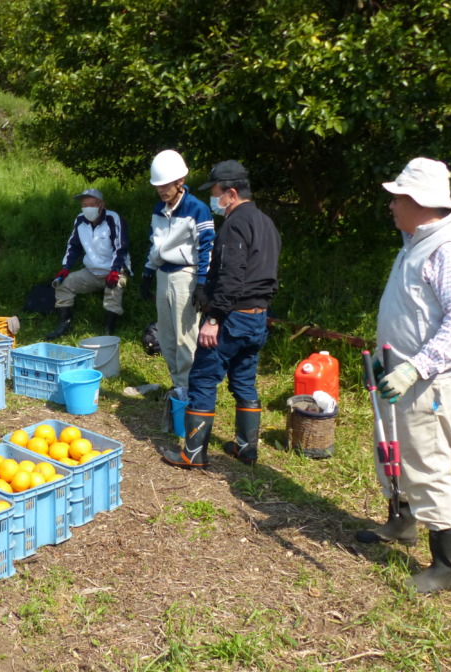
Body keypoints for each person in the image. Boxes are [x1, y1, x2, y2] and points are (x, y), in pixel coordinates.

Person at [356, 157, 451, 594]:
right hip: (399, 371)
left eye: (397, 198)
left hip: (428, 379)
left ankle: (447, 566)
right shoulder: (414, 241)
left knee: (427, 462)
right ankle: (403, 522)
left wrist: (415, 367)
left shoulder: (449, 249)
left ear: (418, 201)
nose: (391, 205)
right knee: (393, 453)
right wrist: (384, 358)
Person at [160, 161, 281, 469]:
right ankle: (245, 449)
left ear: (230, 192)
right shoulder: (266, 222)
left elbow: (231, 274)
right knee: (244, 380)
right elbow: (266, 275)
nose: (214, 199)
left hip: (232, 318)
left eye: (215, 192)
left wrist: (213, 318)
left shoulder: (235, 224)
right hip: (257, 317)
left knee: (202, 377)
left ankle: (193, 453)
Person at [140, 150, 215, 390]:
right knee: (167, 336)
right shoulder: (157, 209)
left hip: (186, 275)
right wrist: (147, 273)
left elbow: (207, 246)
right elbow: (155, 243)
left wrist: (202, 284)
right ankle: (177, 385)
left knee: (186, 338)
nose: (162, 190)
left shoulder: (197, 209)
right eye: (157, 186)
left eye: (166, 185)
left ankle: (189, 389)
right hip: (163, 274)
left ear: (179, 181)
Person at [47, 188, 131, 338]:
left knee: (113, 289)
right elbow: (73, 246)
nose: (88, 208)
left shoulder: (113, 219)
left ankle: (109, 331)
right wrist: (66, 268)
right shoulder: (80, 220)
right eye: (85, 205)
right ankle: (64, 325)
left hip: (115, 270)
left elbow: (121, 246)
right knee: (63, 284)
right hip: (91, 271)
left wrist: (115, 270)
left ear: (102, 205)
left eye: (92, 204)